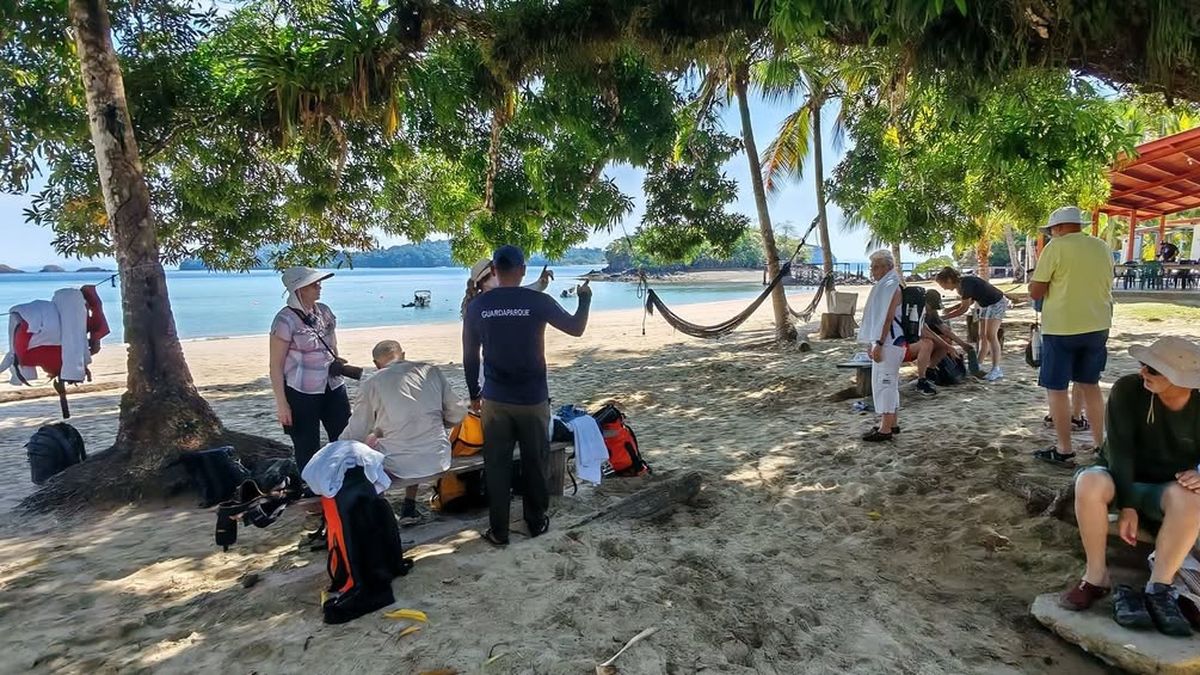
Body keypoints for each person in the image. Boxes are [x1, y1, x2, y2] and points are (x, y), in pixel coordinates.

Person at [1060, 337, 1200, 637]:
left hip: (1167, 487)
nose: (1142, 373)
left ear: (1182, 379)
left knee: (1192, 496)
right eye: (1143, 365)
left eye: (1152, 369)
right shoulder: (1128, 390)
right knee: (1089, 482)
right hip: (1119, 478)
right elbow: (1121, 452)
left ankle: (1158, 588)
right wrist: (1128, 506)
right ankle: (1096, 577)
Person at [463, 245, 592, 545]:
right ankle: (536, 522)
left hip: (494, 400)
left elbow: (470, 356)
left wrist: (474, 394)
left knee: (497, 466)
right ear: (522, 270)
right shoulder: (538, 301)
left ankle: (500, 531)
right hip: (533, 399)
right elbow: (576, 328)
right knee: (535, 462)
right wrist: (584, 300)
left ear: (494, 270)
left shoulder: (478, 306)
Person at [341, 340, 466, 525]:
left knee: (374, 445)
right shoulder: (431, 371)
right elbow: (458, 412)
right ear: (404, 355)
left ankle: (381, 513)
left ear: (376, 364)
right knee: (408, 434)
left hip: (400, 466)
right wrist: (440, 423)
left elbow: (357, 430)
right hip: (438, 458)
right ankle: (409, 505)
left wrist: (337, 445)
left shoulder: (372, 383)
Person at [1029, 206, 1114, 465]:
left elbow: (1036, 291)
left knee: (1056, 388)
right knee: (1091, 385)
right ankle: (1102, 446)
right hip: (1098, 325)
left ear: (1058, 228)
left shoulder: (1055, 248)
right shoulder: (1102, 247)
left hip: (1062, 327)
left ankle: (1065, 449)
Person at [270, 267, 351, 473]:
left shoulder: (324, 311)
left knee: (343, 437)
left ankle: (345, 482)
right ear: (299, 290)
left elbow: (332, 345)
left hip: (333, 385)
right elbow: (276, 366)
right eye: (313, 284)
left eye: (318, 282)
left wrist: (337, 360)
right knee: (307, 444)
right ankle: (312, 487)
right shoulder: (285, 320)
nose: (319, 287)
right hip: (301, 390)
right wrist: (282, 404)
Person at [857, 249, 906, 442]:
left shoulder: (890, 285)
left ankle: (885, 429)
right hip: (894, 341)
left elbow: (887, 318)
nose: (872, 270)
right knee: (889, 383)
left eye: (876, 267)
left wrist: (878, 342)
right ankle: (891, 424)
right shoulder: (890, 283)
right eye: (872, 267)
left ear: (888, 267)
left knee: (884, 383)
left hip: (890, 341)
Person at [935, 267, 1008, 381]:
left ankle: (996, 369)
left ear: (949, 280)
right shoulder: (960, 287)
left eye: (942, 284)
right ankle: (977, 365)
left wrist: (943, 317)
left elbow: (964, 309)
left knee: (991, 335)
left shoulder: (966, 283)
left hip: (996, 302)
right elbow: (970, 301)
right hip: (984, 305)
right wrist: (950, 309)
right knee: (982, 336)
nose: (943, 288)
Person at [461, 259, 554, 317]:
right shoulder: (479, 304)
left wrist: (542, 280)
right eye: (495, 273)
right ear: (483, 281)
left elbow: (534, 288)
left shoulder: (479, 302)